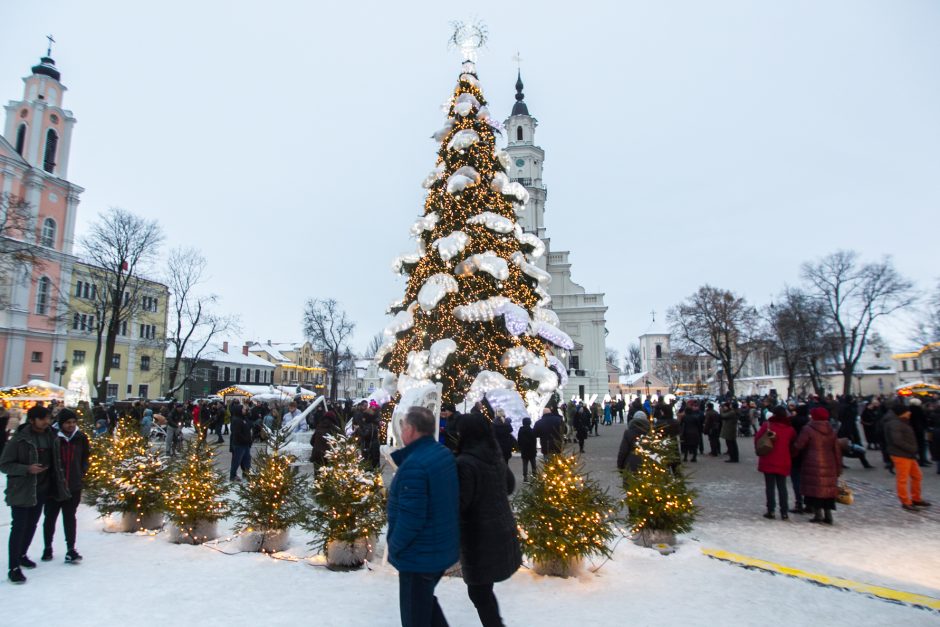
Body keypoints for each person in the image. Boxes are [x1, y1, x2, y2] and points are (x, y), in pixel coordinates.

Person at [387, 406, 459, 627]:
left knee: (415, 618)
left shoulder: (415, 465)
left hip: (418, 556)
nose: (402, 431)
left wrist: (394, 545)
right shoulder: (441, 453)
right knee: (425, 605)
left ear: (413, 430)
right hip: (437, 549)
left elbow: (411, 518)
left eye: (404, 426)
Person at [455, 412, 521, 627]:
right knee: (483, 590)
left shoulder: (465, 463)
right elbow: (509, 485)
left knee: (478, 591)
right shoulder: (494, 454)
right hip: (500, 528)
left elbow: (460, 503)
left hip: (479, 537)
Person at [1, 405, 69, 584]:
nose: (47, 422)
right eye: (43, 419)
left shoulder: (51, 437)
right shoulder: (19, 440)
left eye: (48, 418)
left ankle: (22, 554)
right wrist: (27, 469)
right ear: (32, 420)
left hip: (42, 488)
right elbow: (5, 464)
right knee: (19, 527)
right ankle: (13, 567)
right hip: (23, 490)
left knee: (32, 524)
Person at [42, 408, 89, 563]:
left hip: (73, 485)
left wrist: (82, 472)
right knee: (50, 518)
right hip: (54, 486)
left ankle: (71, 548)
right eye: (68, 422)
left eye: (74, 422)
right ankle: (47, 547)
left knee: (70, 518)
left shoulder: (80, 437)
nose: (71, 425)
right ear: (61, 423)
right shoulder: (52, 436)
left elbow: (85, 457)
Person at [792, 407, 842, 524]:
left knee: (815, 489)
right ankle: (828, 515)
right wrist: (838, 466)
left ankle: (818, 514)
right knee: (827, 490)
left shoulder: (808, 429)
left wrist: (792, 452)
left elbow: (799, 445)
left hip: (811, 462)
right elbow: (837, 450)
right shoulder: (831, 430)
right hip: (829, 463)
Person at [883, 401, 931, 511]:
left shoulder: (900, 421)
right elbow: (897, 441)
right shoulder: (895, 423)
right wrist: (912, 448)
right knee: (903, 479)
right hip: (901, 454)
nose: (909, 413)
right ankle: (905, 501)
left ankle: (916, 498)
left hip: (908, 454)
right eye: (907, 411)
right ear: (902, 413)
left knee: (917, 476)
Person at [754, 407, 795, 520]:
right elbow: (793, 444)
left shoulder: (767, 426)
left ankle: (771, 510)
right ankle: (784, 512)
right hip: (784, 460)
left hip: (769, 459)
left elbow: (757, 439)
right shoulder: (790, 429)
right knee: (782, 487)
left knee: (770, 487)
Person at [229, 403, 252, 482]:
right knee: (236, 461)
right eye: (243, 409)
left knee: (247, 460)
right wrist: (245, 439)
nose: (245, 410)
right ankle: (232, 475)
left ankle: (246, 473)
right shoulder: (236, 420)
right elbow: (237, 433)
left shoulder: (243, 418)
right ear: (239, 410)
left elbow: (250, 425)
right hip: (239, 444)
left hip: (246, 444)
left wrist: (247, 414)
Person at [516, 417, 537, 482]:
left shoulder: (521, 430)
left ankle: (525, 477)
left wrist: (519, 447)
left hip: (524, 449)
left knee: (525, 464)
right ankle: (534, 476)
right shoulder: (532, 430)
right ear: (530, 422)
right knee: (533, 464)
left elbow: (519, 440)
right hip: (531, 450)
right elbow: (534, 441)